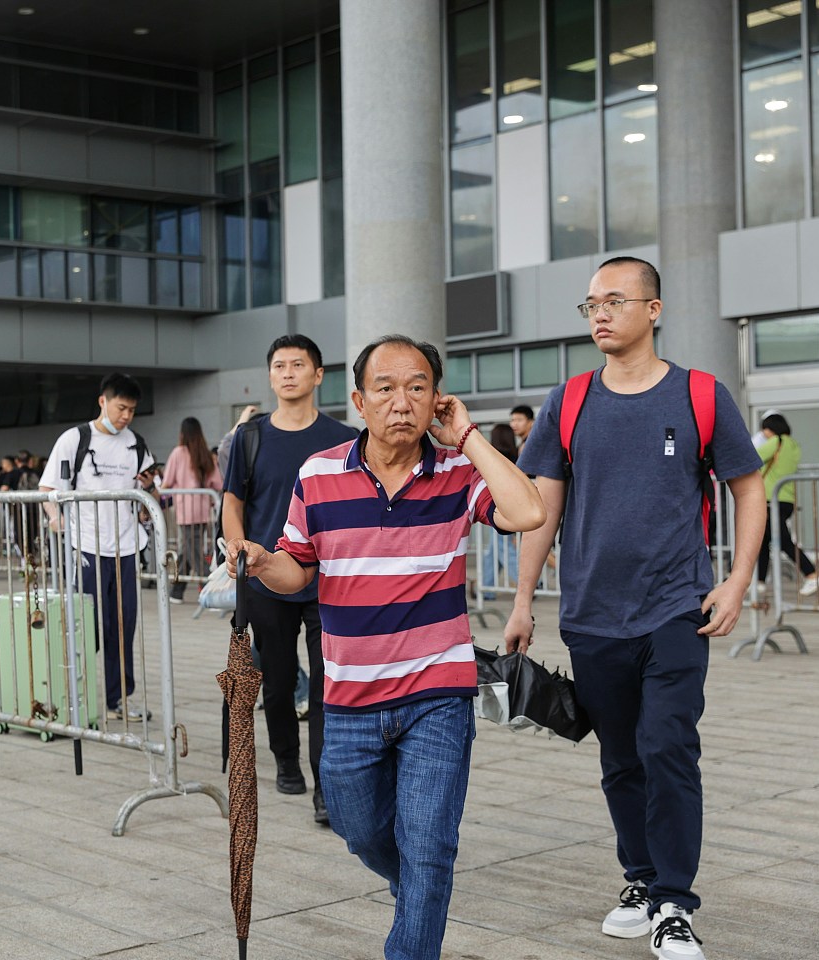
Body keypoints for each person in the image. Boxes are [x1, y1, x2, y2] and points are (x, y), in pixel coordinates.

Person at [227, 335, 545, 960]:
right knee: (357, 827)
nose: (403, 402)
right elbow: (299, 569)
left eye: (418, 388)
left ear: (437, 401)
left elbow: (529, 510)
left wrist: (469, 438)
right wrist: (265, 564)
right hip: (348, 698)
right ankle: (419, 895)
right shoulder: (318, 476)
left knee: (430, 845)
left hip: (438, 695)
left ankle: (417, 916)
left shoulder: (458, 474)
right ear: (359, 400)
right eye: (386, 388)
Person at [508, 257, 766, 960]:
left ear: (653, 310)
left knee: (667, 747)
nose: (599, 314)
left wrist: (737, 578)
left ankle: (675, 903)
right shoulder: (570, 401)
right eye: (590, 303)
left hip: (677, 608)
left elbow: (749, 487)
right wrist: (524, 599)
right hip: (592, 614)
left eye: (615, 301)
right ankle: (643, 879)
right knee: (621, 757)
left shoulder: (700, 395)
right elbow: (542, 507)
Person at [222, 334, 356, 823]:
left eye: (298, 365)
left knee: (327, 687)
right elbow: (232, 504)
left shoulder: (343, 438)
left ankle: (327, 787)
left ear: (318, 375)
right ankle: (285, 759)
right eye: (279, 365)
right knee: (278, 683)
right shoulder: (250, 437)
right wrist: (238, 549)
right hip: (267, 582)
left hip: (329, 583)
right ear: (271, 375)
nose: (288, 373)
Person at [39, 373, 156, 721]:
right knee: (84, 624)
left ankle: (118, 699)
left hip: (125, 548)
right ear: (103, 401)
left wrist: (150, 491)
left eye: (132, 410)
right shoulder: (75, 439)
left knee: (123, 624)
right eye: (121, 408)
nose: (126, 416)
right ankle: (80, 695)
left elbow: (152, 498)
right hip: (85, 548)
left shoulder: (136, 444)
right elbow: (48, 490)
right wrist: (58, 522)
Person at [755, 413, 819, 598]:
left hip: (771, 498)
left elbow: (754, 456)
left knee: (782, 540)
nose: (764, 433)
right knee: (763, 540)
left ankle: (811, 574)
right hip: (786, 498)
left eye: (765, 429)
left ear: (771, 429)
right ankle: (759, 582)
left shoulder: (776, 441)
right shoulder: (793, 445)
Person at [160, 416, 222, 604]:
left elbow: (167, 482)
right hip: (202, 511)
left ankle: (212, 588)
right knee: (188, 551)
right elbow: (217, 482)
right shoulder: (204, 453)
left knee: (192, 552)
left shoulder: (178, 453)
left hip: (186, 511)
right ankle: (176, 592)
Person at [480, 424, 521, 598]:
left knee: (503, 547)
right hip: (513, 506)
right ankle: (487, 588)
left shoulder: (493, 458)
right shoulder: (516, 456)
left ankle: (526, 584)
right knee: (494, 550)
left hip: (496, 507)